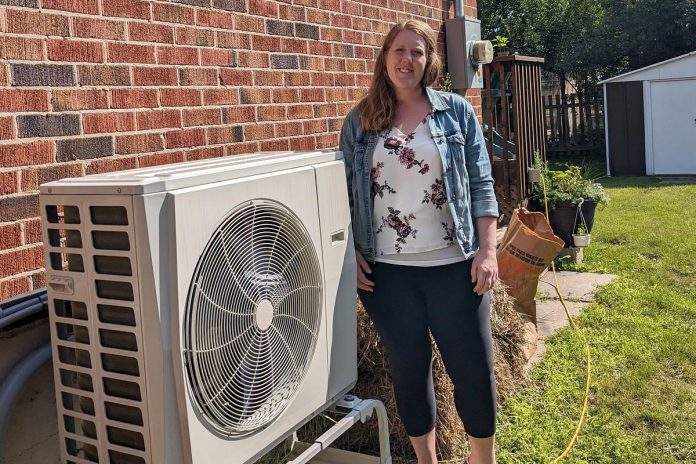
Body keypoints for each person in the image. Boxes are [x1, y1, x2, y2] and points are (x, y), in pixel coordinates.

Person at [339, 19, 499, 464]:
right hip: (387, 275)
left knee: (473, 369)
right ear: (384, 58)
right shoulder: (360, 121)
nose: (407, 60)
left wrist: (487, 251)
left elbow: (482, 184)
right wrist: (350, 252)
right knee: (409, 370)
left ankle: (481, 459)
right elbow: (345, 196)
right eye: (399, 51)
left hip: (456, 266)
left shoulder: (456, 112)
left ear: (429, 61)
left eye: (417, 52)